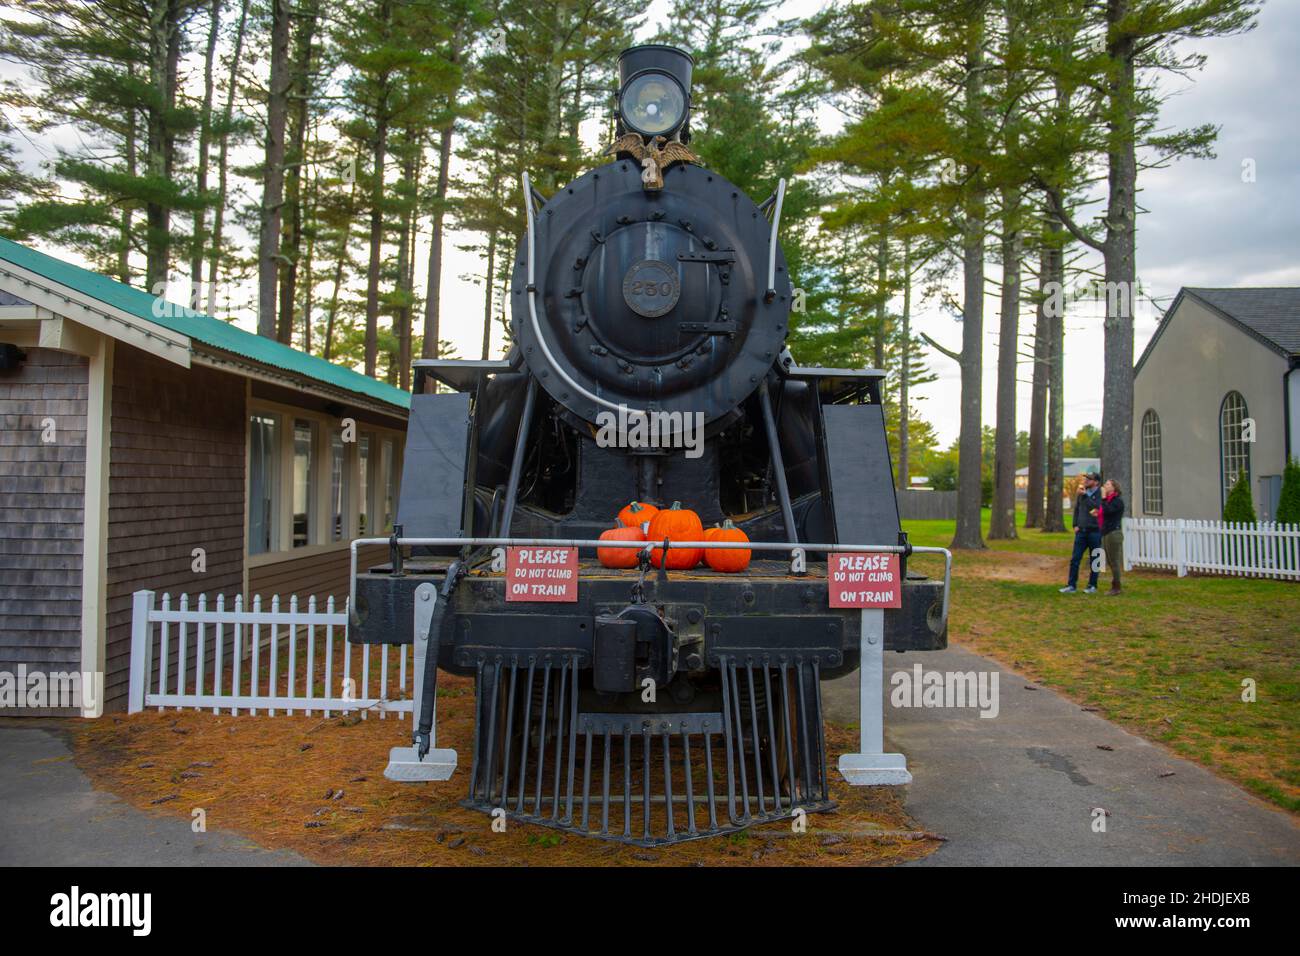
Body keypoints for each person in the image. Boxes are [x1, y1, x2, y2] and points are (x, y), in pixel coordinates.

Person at [1060, 470, 1103, 593]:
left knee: (1096, 559)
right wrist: (1075, 524)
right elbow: (1077, 510)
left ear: (1096, 482)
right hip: (1082, 531)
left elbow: (1096, 509)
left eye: (1089, 479)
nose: (1086, 481)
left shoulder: (1100, 494)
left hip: (1095, 531)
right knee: (1075, 559)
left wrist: (1085, 496)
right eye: (1086, 478)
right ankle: (1071, 585)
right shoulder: (1081, 493)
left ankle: (1092, 585)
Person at [1098, 478, 1125, 595]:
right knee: (1109, 560)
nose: (1105, 486)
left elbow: (1108, 511)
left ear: (1114, 487)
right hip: (1106, 532)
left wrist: (1103, 497)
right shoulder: (1108, 501)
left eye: (1108, 484)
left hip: (1114, 533)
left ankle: (1117, 586)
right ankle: (1115, 584)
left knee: (1115, 560)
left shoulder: (1117, 501)